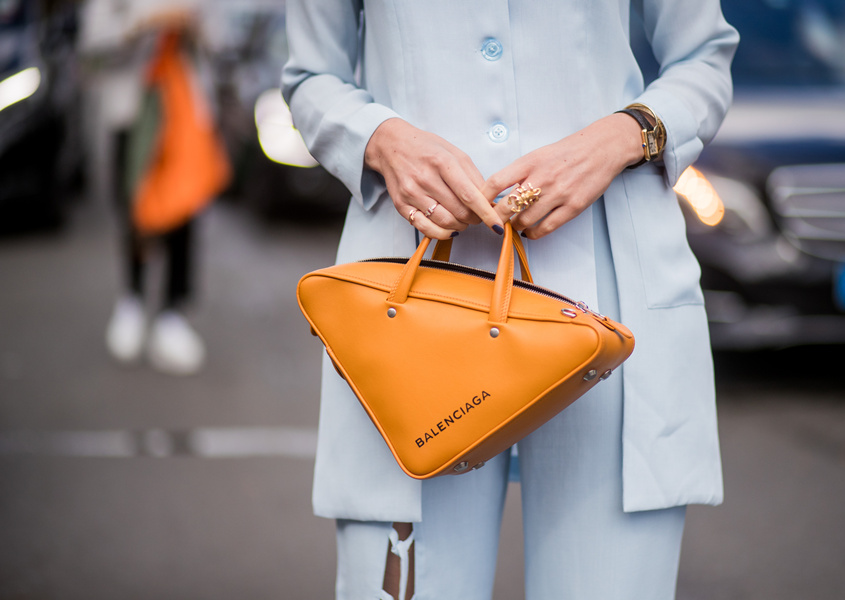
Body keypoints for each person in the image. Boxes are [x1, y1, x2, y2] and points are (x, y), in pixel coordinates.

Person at [282, 1, 738, 599]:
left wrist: (620, 137)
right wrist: (382, 140)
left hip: (611, 299)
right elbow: (310, 75)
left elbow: (704, 57)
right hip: (406, 308)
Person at [80, 1, 228, 376]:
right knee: (133, 208)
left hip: (185, 113)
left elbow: (222, 42)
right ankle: (132, 299)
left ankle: (172, 312)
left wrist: (192, 26)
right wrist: (140, 26)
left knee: (185, 210)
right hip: (132, 113)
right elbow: (91, 47)